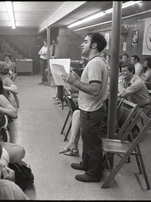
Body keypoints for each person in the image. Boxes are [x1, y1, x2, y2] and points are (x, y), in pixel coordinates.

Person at [62, 32, 108, 183]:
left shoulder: (95, 63)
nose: (82, 44)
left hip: (92, 110)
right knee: (87, 140)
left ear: (94, 45)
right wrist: (74, 82)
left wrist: (74, 82)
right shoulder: (94, 62)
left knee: (92, 143)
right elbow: (87, 87)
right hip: (88, 108)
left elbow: (94, 90)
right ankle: (86, 164)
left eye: (85, 41)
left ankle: (94, 174)